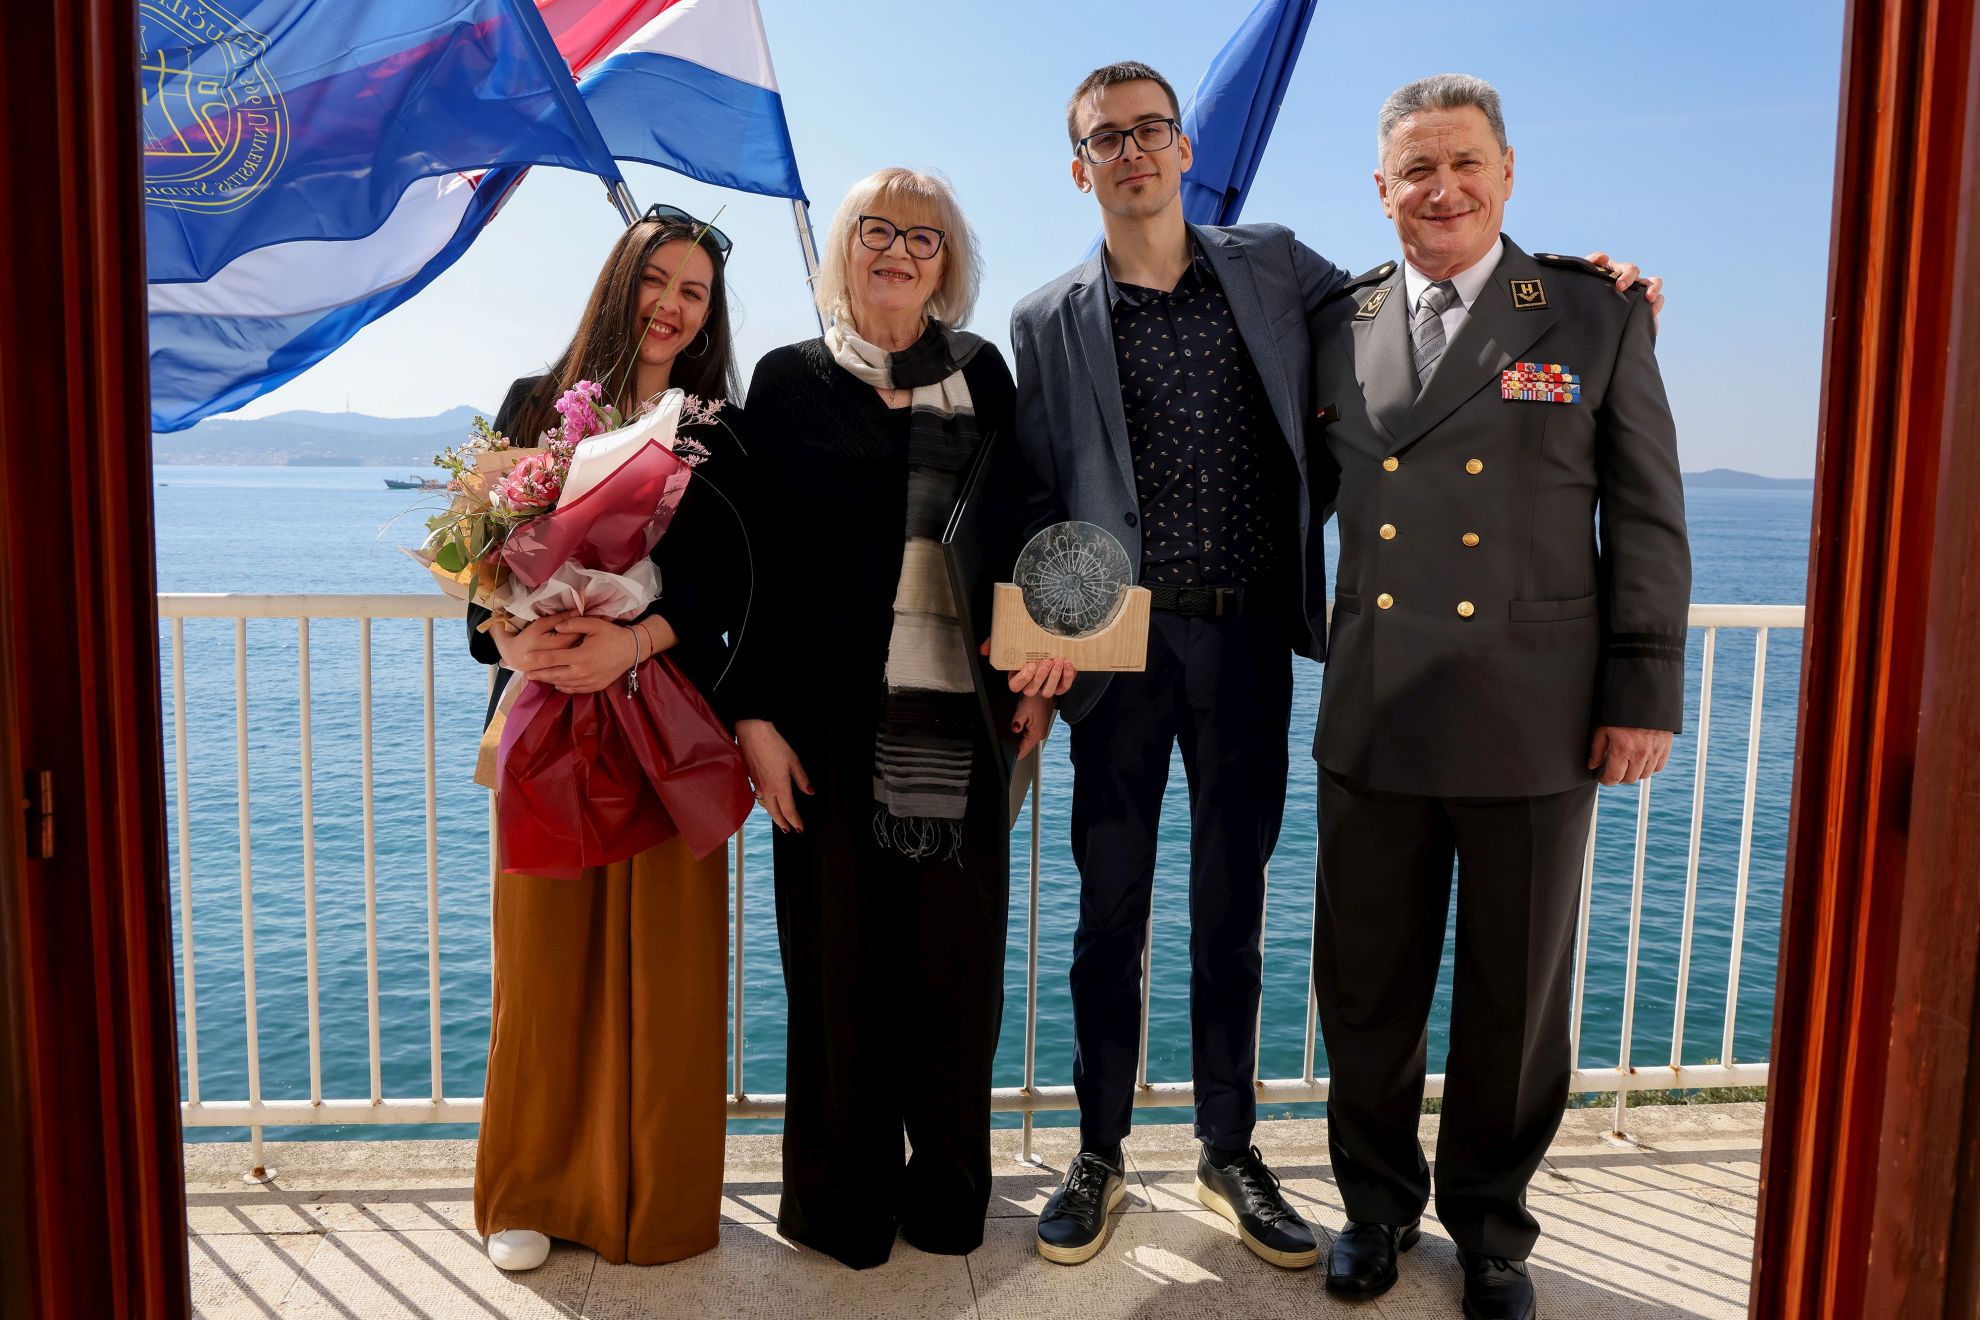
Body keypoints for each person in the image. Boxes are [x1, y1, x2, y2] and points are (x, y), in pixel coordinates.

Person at [1009, 61, 1660, 1274]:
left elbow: (1445, 283)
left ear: (1185, 148)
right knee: (1107, 915)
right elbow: (1039, 491)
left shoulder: (1274, 270)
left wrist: (1595, 280)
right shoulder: (1046, 319)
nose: (1133, 152)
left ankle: (1228, 1150)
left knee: (1231, 914)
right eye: (1107, 138)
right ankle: (1097, 1151)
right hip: (1116, 649)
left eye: (1152, 130)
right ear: (1080, 166)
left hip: (1250, 639)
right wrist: (1042, 638)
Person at [1305, 74, 1690, 1320]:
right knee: (1367, 990)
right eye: (1417, 169)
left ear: (1508, 171)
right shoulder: (1338, 320)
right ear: (1381, 189)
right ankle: (1373, 1211)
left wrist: (1644, 689)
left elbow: (1646, 517)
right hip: (1377, 710)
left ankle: (1491, 1231)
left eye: (1465, 162)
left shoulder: (1590, 312)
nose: (1444, 189)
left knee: (1515, 1002)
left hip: (1534, 714)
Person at [730, 168, 1052, 1269]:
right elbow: (755, 565)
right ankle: (840, 1206)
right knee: (837, 970)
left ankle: (949, 1199)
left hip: (958, 721)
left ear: (947, 262)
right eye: (878, 231)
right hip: (820, 723)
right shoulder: (788, 382)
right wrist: (752, 717)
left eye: (925, 238)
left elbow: (1022, 531)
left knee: (954, 973)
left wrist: (1039, 673)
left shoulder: (983, 375)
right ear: (844, 248)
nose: (900, 253)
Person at [465, 206, 754, 1272]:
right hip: (549, 719)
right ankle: (528, 1194)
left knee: (668, 973)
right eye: (657, 281)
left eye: (695, 292)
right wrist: (514, 637)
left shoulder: (721, 430)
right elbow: (480, 584)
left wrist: (635, 642)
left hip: (665, 721)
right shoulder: (532, 406)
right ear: (618, 284)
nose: (671, 306)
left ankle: (655, 1202)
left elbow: (736, 586)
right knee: (543, 965)